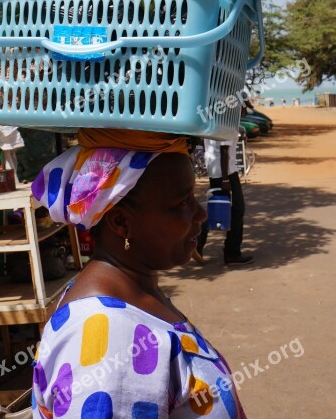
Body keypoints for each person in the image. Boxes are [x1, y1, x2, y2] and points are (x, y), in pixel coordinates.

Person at [31, 129, 247, 417]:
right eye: (182, 203)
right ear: (121, 222)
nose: (201, 214)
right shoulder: (108, 337)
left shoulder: (137, 293)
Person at [193, 134, 254, 266]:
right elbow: (224, 149)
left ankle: (197, 242)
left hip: (217, 170)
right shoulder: (226, 117)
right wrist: (226, 179)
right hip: (225, 173)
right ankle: (231, 253)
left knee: (219, 208)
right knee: (237, 210)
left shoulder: (216, 117)